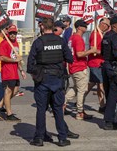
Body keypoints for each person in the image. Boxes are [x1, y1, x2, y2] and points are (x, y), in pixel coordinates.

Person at [27, 18, 73, 147]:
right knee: (58, 109)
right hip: (57, 79)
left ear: (42, 27)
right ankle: (62, 138)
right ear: (53, 27)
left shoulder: (38, 42)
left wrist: (36, 73)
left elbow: (30, 65)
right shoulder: (61, 41)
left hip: (42, 79)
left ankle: (39, 138)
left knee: (41, 109)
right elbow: (69, 58)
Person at [65, 19, 96, 120]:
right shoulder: (78, 38)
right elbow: (79, 54)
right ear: (79, 27)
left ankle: (62, 102)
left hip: (73, 66)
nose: (86, 28)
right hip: (79, 66)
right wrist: (91, 50)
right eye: (84, 26)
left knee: (76, 88)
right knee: (82, 90)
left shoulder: (72, 37)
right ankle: (80, 112)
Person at [0, 25, 26, 121]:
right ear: (8, 33)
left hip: (14, 71)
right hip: (7, 71)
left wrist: (21, 70)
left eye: (14, 33)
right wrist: (15, 60)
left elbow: (17, 58)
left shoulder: (16, 43)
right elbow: (2, 57)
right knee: (8, 91)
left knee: (15, 91)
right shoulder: (4, 43)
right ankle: (9, 114)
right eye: (11, 33)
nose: (12, 35)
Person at [101, 15, 117, 130]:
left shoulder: (106, 35)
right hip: (114, 68)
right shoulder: (115, 37)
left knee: (108, 94)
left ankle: (109, 119)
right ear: (115, 25)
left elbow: (103, 52)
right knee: (113, 95)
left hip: (106, 66)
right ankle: (109, 122)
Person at [85, 17, 111, 114]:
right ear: (103, 24)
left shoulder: (99, 34)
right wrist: (106, 52)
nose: (107, 28)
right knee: (100, 84)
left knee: (92, 83)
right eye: (107, 26)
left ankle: (80, 98)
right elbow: (93, 49)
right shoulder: (96, 34)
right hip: (95, 62)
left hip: (98, 62)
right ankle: (102, 105)